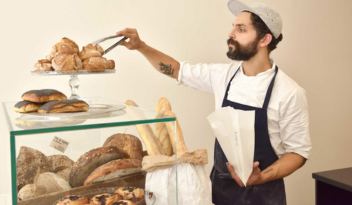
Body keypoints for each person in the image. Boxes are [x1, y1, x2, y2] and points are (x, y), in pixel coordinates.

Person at [117, 0, 312, 204]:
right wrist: (141, 46)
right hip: (219, 191)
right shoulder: (223, 75)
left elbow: (297, 153)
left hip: (264, 195)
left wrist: (262, 176)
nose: (231, 33)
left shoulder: (289, 92)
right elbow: (177, 70)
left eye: (241, 29)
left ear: (265, 40)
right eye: (233, 27)